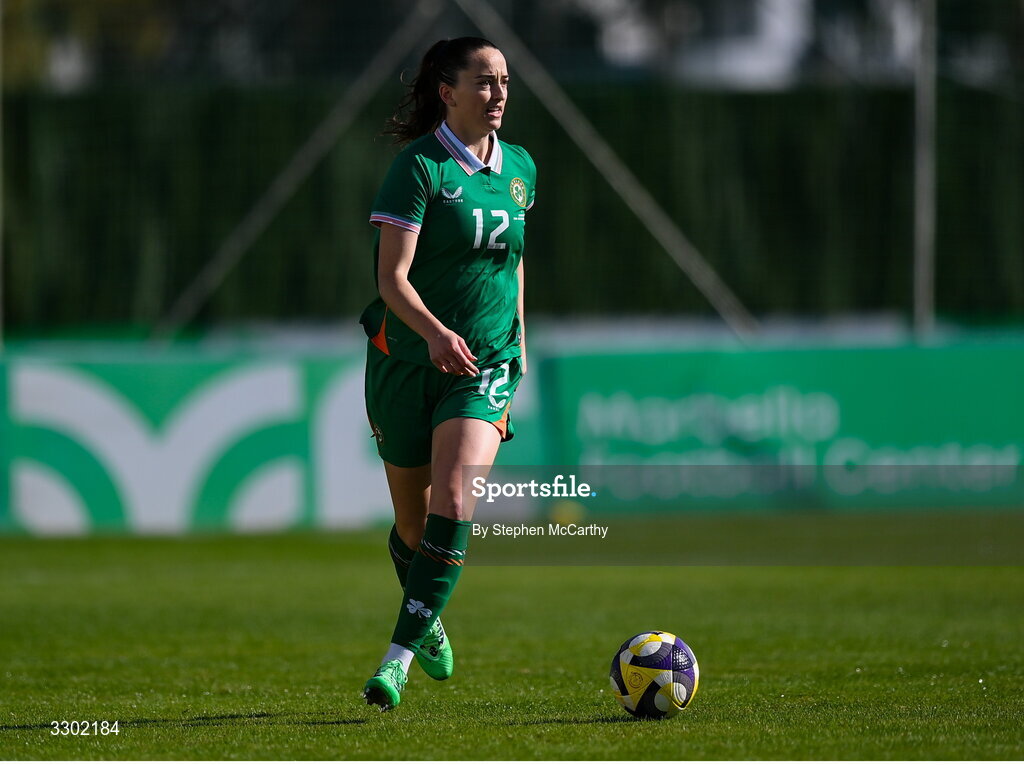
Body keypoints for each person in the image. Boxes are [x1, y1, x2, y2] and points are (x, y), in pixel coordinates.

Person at [358, 36, 536, 711]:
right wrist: (434, 334)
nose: (498, 95)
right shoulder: (421, 167)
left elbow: (513, 261)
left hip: (485, 364)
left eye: (504, 81)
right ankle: (426, 615)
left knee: (453, 502)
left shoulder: (521, 168)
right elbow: (391, 278)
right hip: (405, 360)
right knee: (411, 526)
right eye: (484, 81)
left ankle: (395, 660)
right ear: (448, 91)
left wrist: (516, 340)